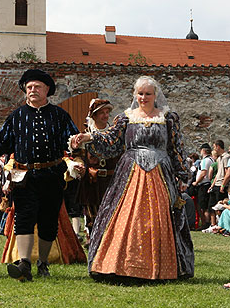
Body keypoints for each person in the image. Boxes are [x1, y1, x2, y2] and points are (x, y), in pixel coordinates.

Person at [71, 76, 194, 281]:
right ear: (135, 95)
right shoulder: (125, 118)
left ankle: (160, 268)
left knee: (157, 220)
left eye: (148, 93)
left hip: (159, 173)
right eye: (140, 93)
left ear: (155, 95)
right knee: (126, 217)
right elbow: (111, 141)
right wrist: (89, 137)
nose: (143, 97)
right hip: (130, 172)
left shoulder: (168, 118)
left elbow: (176, 148)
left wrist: (182, 174)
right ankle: (118, 266)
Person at [0, 69, 79, 281]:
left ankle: (43, 262)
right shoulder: (16, 116)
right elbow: (3, 142)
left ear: (47, 90)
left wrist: (76, 143)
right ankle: (24, 263)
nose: (32, 90)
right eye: (29, 87)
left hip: (52, 175)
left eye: (37, 87)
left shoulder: (60, 115)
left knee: (48, 221)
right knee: (24, 218)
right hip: (24, 177)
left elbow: (72, 139)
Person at [75, 98, 117, 238]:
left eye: (107, 112)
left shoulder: (114, 134)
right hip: (92, 181)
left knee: (113, 218)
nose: (105, 116)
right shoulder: (84, 134)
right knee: (93, 219)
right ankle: (94, 246)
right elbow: (78, 155)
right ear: (94, 116)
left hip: (113, 181)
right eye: (101, 113)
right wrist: (79, 165)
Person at [192, 144, 214, 230]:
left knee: (202, 206)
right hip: (208, 184)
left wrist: (196, 182)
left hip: (203, 185)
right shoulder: (212, 159)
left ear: (203, 151)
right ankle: (206, 222)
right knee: (205, 205)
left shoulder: (205, 161)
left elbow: (203, 173)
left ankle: (205, 223)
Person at [208, 140, 230, 225]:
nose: (214, 149)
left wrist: (223, 185)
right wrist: (212, 185)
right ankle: (213, 224)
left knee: (220, 206)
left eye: (214, 147)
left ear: (218, 146)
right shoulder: (219, 158)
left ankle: (221, 224)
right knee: (212, 206)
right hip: (216, 184)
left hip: (221, 184)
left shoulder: (226, 157)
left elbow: (226, 171)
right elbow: (218, 173)